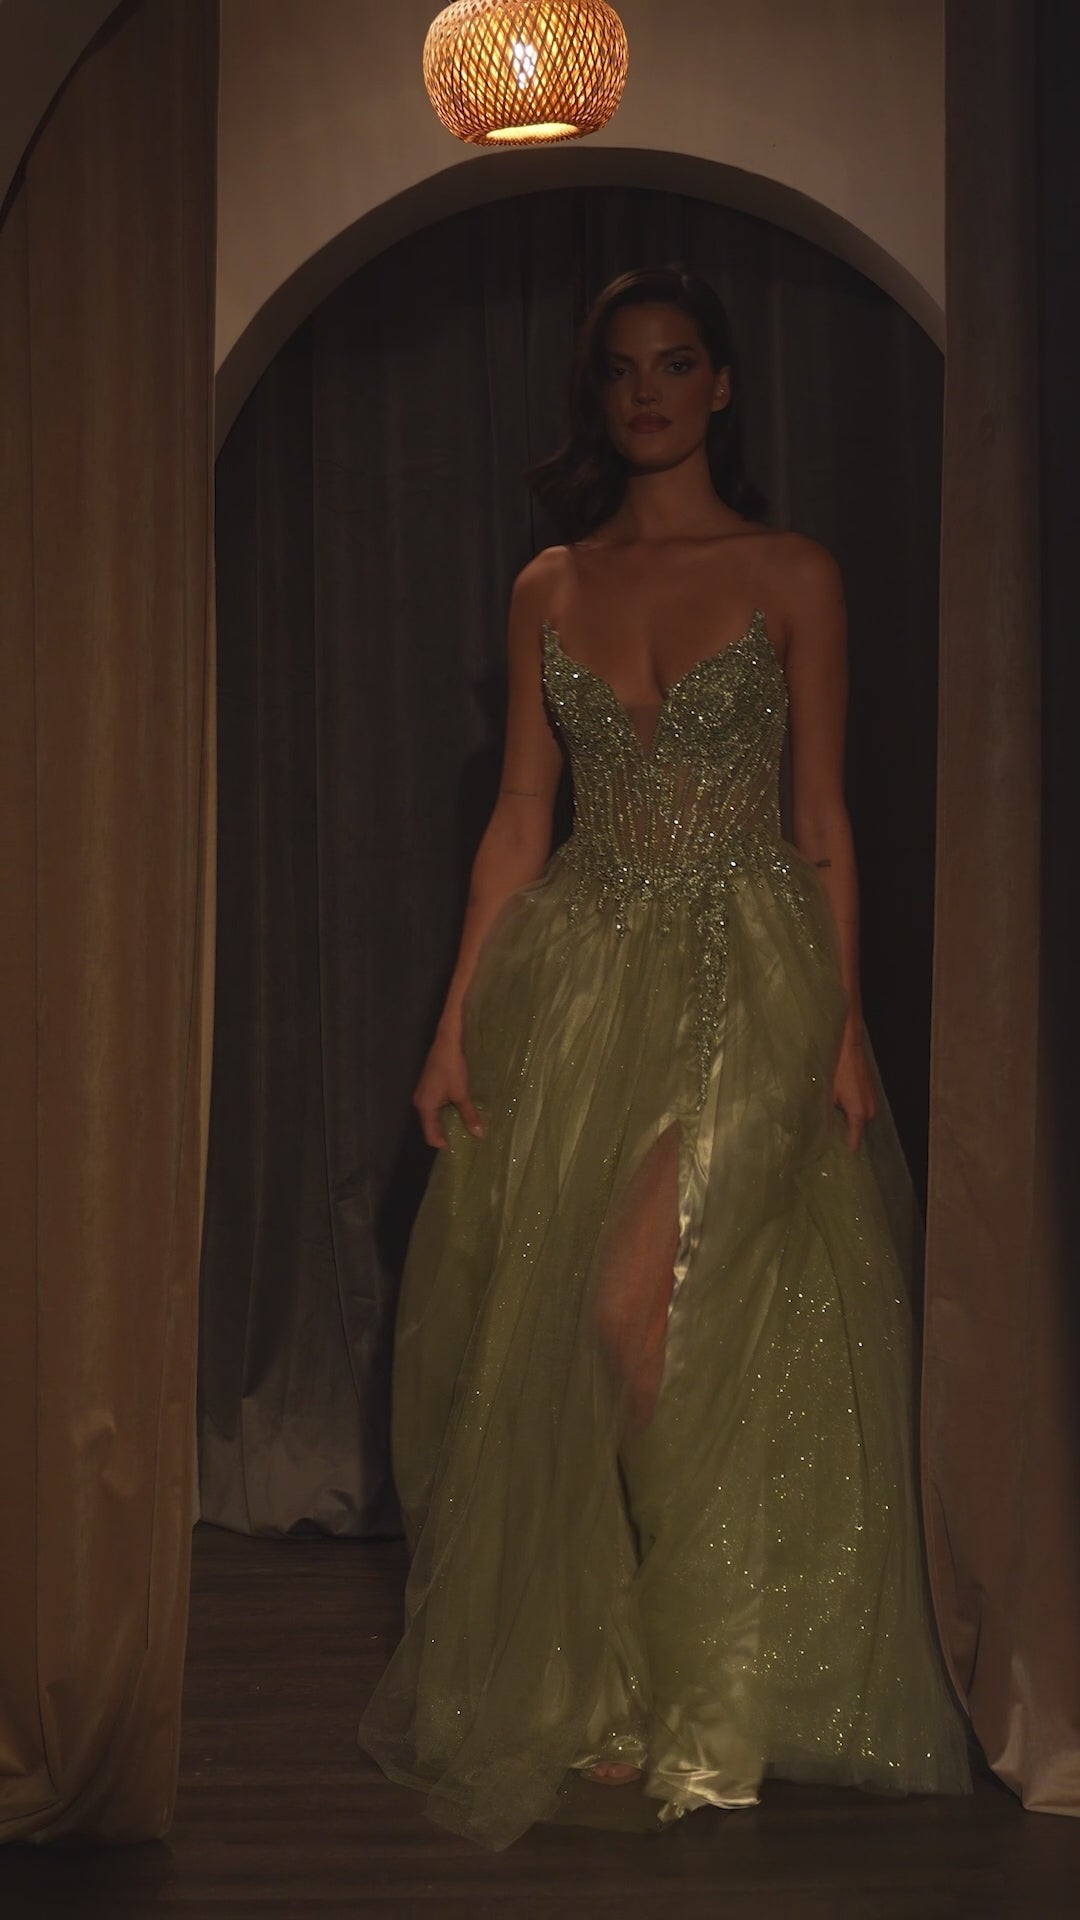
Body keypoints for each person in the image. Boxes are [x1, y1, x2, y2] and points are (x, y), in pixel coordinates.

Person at [357, 265, 973, 1850]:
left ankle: (706, 1705)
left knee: (657, 1311)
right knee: (585, 1330)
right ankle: (639, 1676)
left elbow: (822, 817)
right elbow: (520, 816)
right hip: (580, 971)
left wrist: (843, 1028)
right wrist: (451, 1023)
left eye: (676, 363)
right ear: (601, 394)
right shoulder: (549, 585)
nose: (647, 390)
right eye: (623, 368)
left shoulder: (791, 573)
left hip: (751, 973)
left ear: (721, 386)